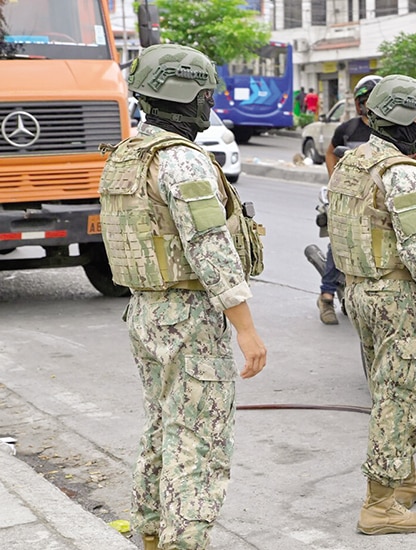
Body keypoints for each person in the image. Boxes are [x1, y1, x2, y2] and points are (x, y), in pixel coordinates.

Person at [97, 44, 268, 550]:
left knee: (160, 427)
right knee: (199, 439)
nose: (210, 105)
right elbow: (210, 250)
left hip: (146, 311)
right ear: (187, 96)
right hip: (188, 316)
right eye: (206, 94)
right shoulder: (183, 163)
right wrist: (246, 329)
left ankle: (151, 534)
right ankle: (183, 542)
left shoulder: (129, 153)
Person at [327, 74, 416, 536]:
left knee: (387, 387)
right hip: (394, 295)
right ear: (408, 121)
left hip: (360, 290)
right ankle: (380, 505)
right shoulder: (400, 172)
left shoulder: (355, 161)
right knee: (397, 396)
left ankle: (401, 477)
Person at [315, 75, 383, 325]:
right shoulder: (349, 129)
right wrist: (335, 181)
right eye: (361, 100)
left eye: (369, 99)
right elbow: (330, 152)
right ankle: (326, 296)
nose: (364, 104)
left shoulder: (386, 130)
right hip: (348, 199)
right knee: (339, 243)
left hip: (377, 200)